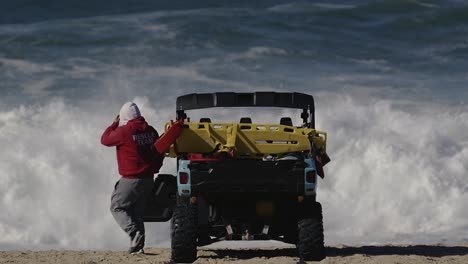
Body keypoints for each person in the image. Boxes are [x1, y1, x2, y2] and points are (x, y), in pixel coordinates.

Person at [101, 102, 182, 254]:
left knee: (117, 206)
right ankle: (138, 246)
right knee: (137, 212)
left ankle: (133, 233)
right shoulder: (150, 131)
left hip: (132, 178)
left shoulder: (123, 132)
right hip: (148, 178)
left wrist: (114, 124)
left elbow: (105, 140)